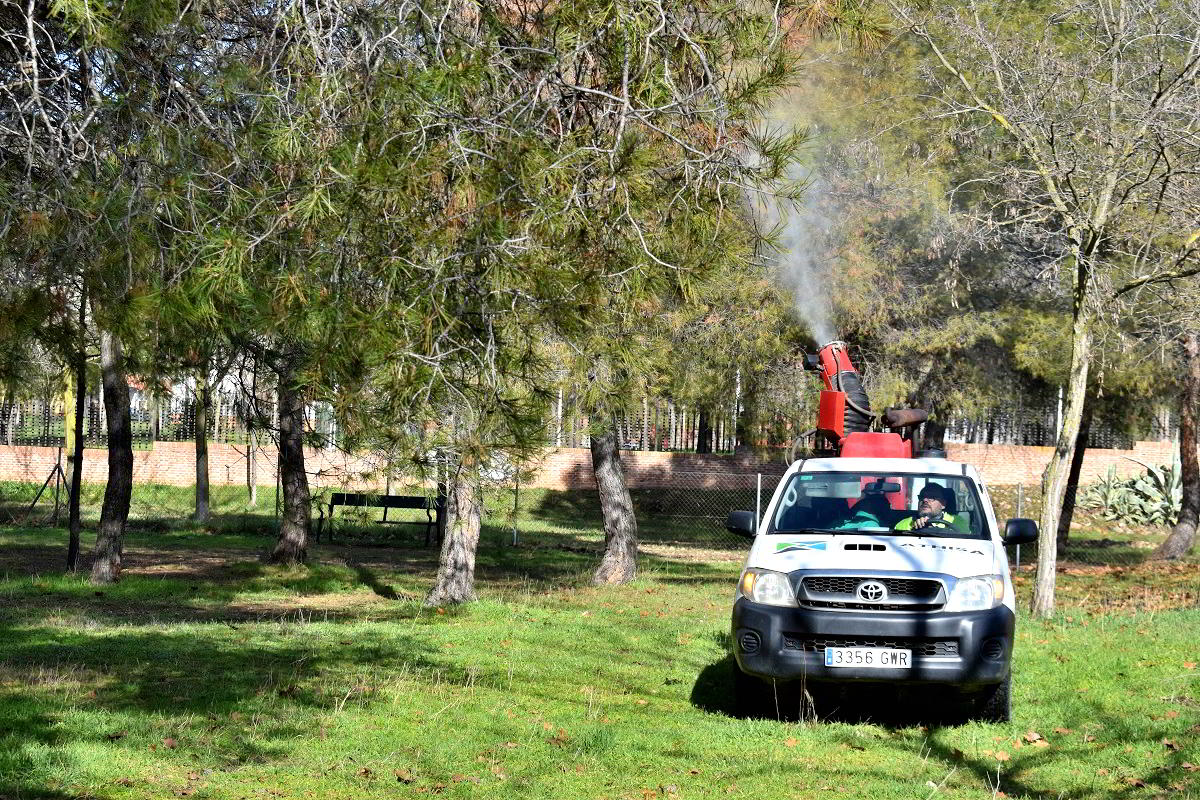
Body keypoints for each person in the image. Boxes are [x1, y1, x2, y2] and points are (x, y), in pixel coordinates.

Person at [895, 483, 969, 533]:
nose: (925, 500)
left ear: (943, 504)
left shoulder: (957, 522)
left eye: (931, 497)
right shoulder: (904, 524)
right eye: (922, 497)